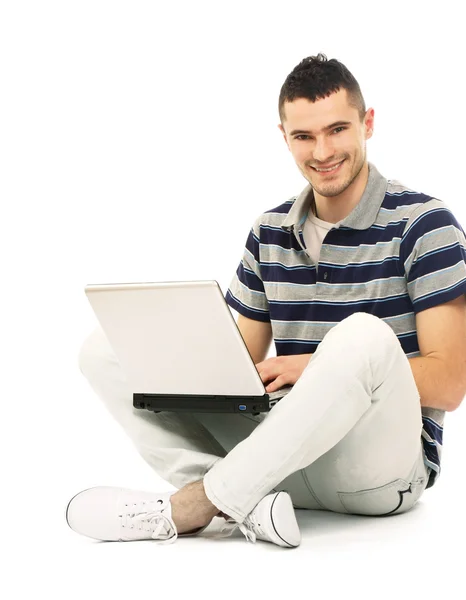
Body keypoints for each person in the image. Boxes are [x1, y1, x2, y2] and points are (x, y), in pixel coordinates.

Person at [66, 54, 466, 548]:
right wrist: (172, 355)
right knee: (102, 349)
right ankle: (246, 501)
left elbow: (450, 383)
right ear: (284, 136)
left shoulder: (425, 224)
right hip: (280, 464)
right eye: (304, 137)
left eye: (337, 129)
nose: (322, 151)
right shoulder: (269, 232)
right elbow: (241, 371)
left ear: (368, 124)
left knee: (363, 336)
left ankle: (194, 506)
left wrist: (314, 366)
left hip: (377, 471)